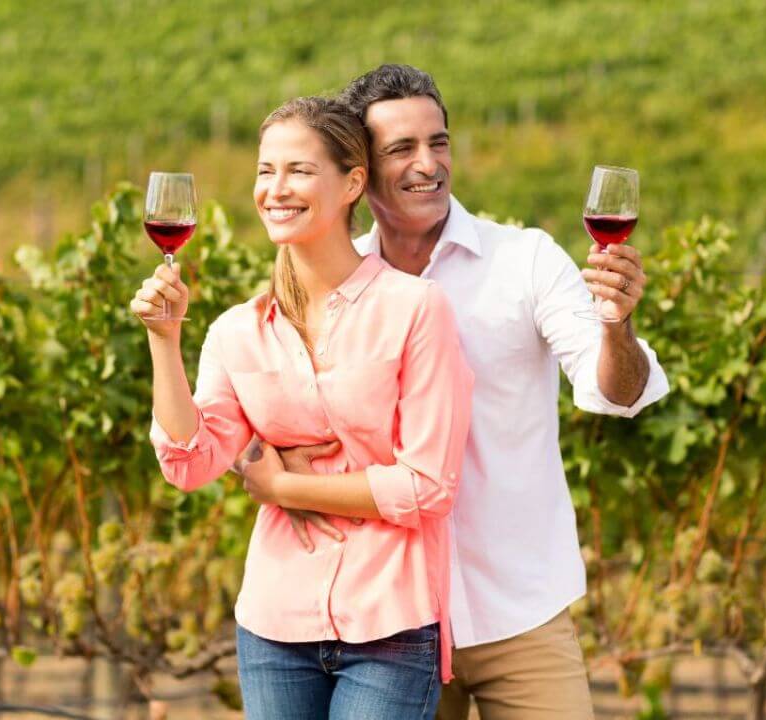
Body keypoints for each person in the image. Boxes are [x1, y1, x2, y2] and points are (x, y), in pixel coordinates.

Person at [255, 65, 671, 719]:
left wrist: (617, 328)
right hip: (391, 626)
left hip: (522, 616)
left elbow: (614, 391)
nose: (429, 164)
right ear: (359, 173)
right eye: (402, 149)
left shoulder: (525, 261)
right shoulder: (334, 282)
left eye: (438, 142)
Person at [129, 96, 475, 719]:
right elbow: (190, 463)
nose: (276, 189)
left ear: (352, 183)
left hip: (389, 627)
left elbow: (427, 487)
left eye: (298, 170)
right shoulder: (238, 331)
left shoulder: (416, 310)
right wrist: (165, 340)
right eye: (266, 170)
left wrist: (286, 485)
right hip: (273, 625)